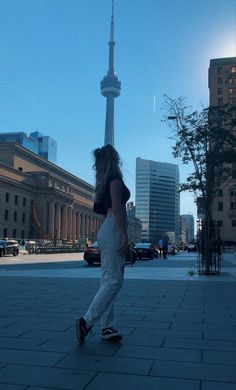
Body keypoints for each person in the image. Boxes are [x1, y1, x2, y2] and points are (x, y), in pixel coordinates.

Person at [76, 144, 130, 344]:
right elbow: (118, 210)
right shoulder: (115, 181)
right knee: (114, 281)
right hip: (114, 228)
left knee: (108, 279)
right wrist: (124, 235)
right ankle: (87, 322)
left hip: (106, 228)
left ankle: (107, 326)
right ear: (114, 160)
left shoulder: (105, 183)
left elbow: (102, 209)